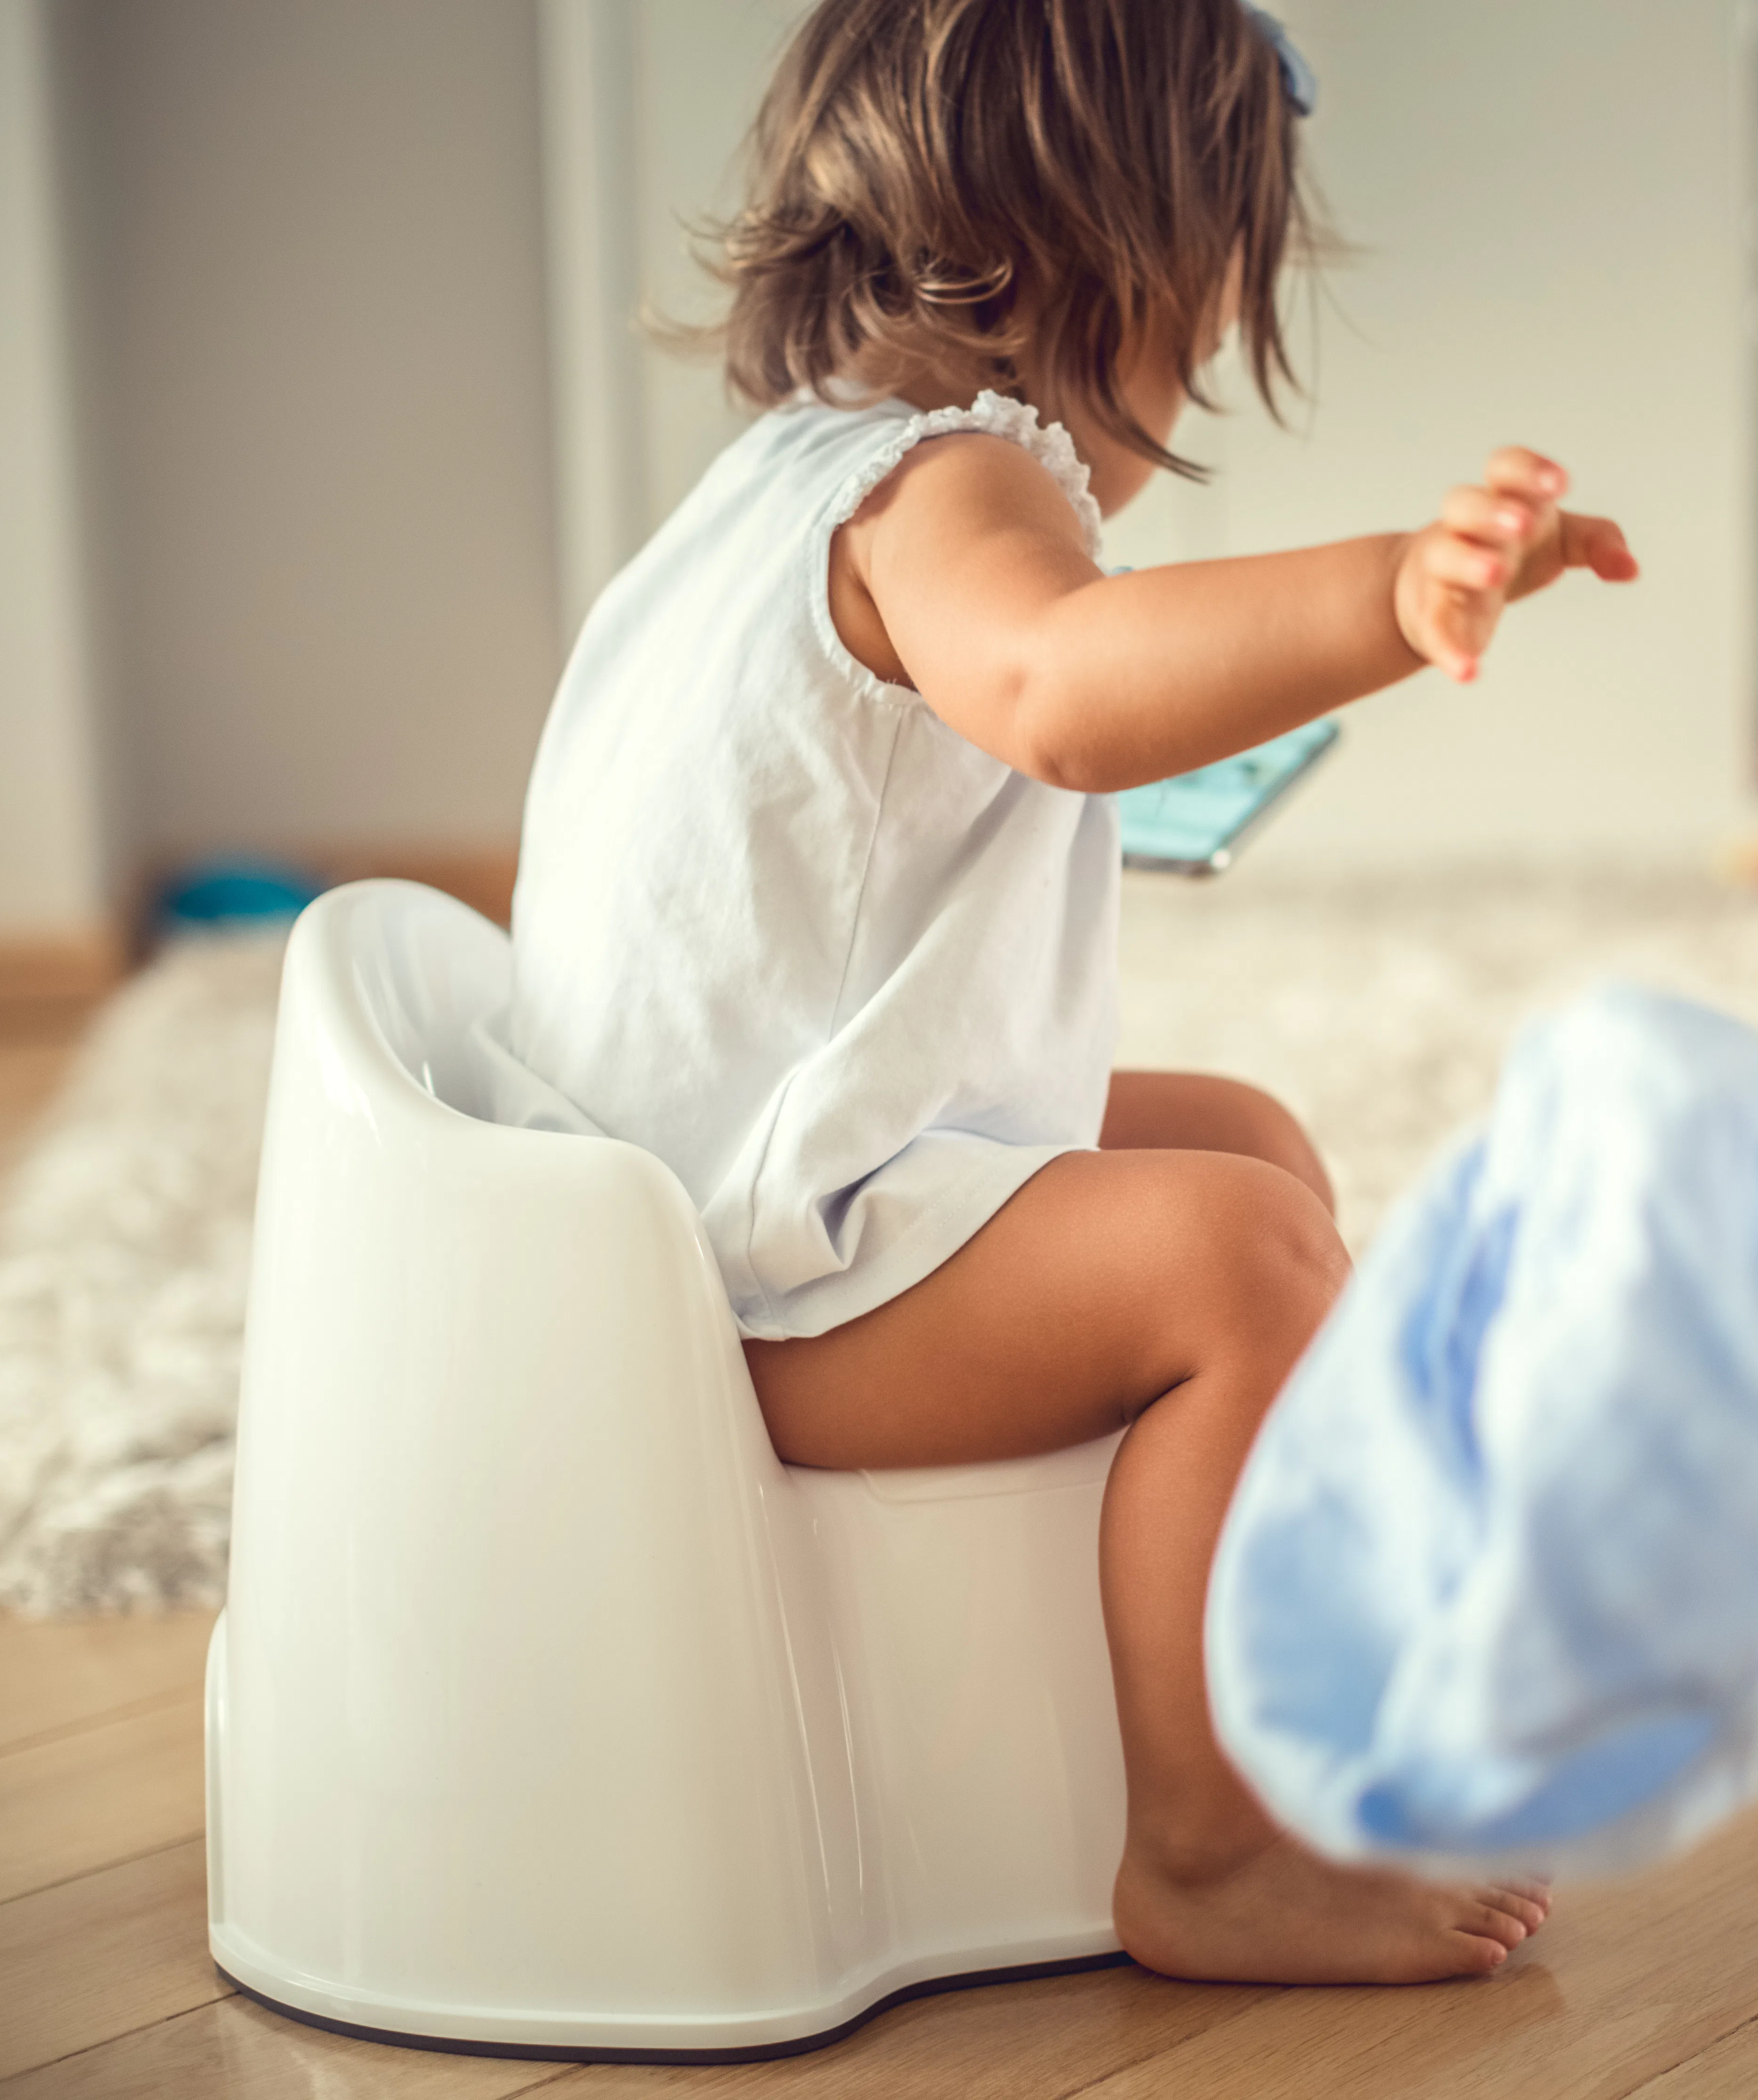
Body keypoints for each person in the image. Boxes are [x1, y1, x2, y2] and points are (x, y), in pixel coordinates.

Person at [504, 0, 1637, 1985]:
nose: (1193, 385)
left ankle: (1287, 1630)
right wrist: (1388, 596)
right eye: (1204, 321)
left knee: (1242, 1141)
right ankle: (1213, 1850)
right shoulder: (956, 480)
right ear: (1078, 265)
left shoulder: (785, 474)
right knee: (1241, 1260)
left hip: (726, 1190)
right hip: (759, 1286)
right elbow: (1061, 689)